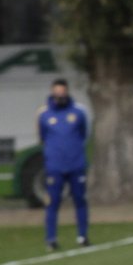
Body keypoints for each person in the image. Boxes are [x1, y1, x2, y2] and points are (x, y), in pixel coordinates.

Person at [37, 78, 89, 250]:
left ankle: (82, 236)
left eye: (62, 91)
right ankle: (51, 239)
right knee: (52, 203)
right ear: (52, 92)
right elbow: (42, 138)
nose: (60, 94)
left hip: (76, 165)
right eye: (56, 91)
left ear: (67, 91)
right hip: (55, 167)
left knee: (80, 200)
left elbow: (84, 135)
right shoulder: (43, 114)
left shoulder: (79, 112)